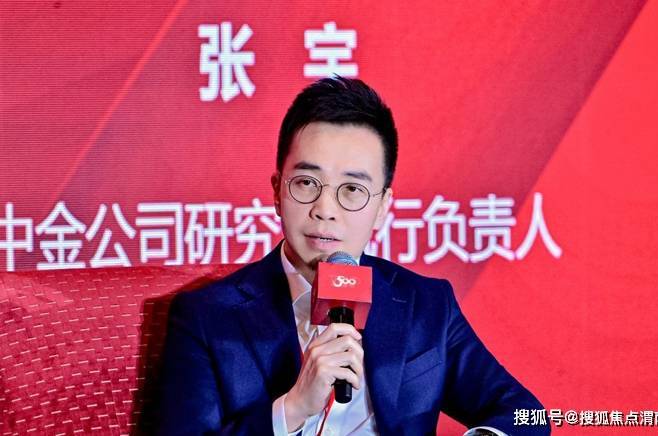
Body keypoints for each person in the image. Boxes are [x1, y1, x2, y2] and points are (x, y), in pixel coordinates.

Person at [156, 77, 549, 435]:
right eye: (307, 182)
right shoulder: (206, 316)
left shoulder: (427, 305)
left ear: (382, 206)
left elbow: (525, 414)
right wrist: (291, 410)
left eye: (352, 190)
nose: (325, 209)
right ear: (277, 190)